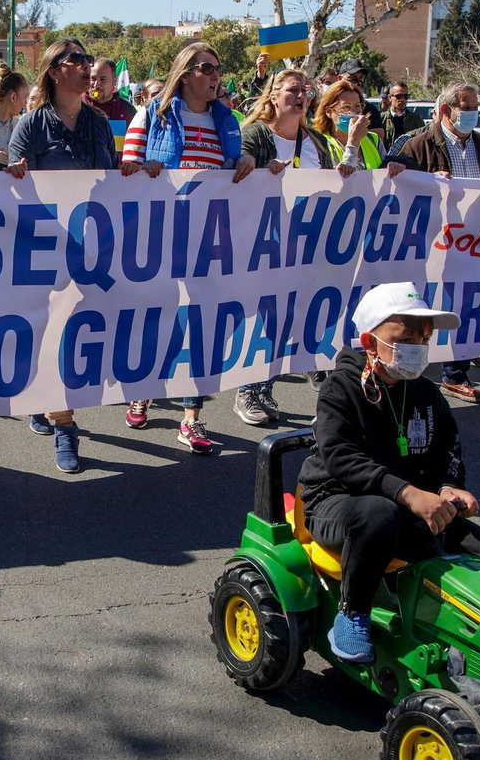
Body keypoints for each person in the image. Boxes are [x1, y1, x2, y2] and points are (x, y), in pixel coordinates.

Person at [298, 282, 480, 662]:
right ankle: (353, 613)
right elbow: (340, 458)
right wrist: (408, 493)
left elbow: (449, 448)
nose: (417, 348)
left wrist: (448, 487)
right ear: (370, 342)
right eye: (406, 338)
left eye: (424, 339)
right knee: (380, 515)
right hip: (338, 503)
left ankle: (466, 640)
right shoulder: (340, 389)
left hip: (409, 504)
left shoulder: (426, 393)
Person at [120, 41, 257, 454]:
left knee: (203, 324)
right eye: (206, 67)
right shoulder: (153, 114)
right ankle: (144, 388)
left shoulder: (228, 120)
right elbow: (125, 169)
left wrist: (252, 165)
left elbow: (232, 170)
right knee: (158, 317)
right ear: (186, 72)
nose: (215, 75)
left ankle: (191, 417)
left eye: (218, 68)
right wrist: (144, 169)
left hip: (210, 240)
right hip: (161, 235)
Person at [6, 39, 119, 473]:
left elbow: (107, 182)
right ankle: (65, 427)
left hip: (87, 249)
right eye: (78, 61)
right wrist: (13, 173)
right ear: (54, 71)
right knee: (51, 334)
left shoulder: (97, 122)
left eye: (90, 60)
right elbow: (15, 189)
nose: (88, 67)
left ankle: (46, 402)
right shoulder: (31, 126)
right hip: (43, 251)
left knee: (74, 335)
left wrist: (129, 175)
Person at [233, 69, 362, 426]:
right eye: (292, 90)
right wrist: (262, 170)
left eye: (306, 90)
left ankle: (265, 388)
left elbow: (339, 181)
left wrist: (350, 152)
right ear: (273, 95)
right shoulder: (256, 134)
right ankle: (247, 390)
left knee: (286, 320)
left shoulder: (314, 140)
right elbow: (234, 172)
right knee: (262, 318)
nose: (301, 95)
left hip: (304, 247)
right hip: (261, 244)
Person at [389, 80, 480, 405]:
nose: (473, 113)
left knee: (463, 304)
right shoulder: (417, 143)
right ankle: (404, 370)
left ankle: (455, 373)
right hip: (429, 242)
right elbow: (391, 178)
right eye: (467, 107)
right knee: (417, 306)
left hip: (470, 241)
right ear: (447, 110)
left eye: (476, 107)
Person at [313, 79, 384, 170]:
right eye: (346, 107)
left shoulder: (374, 140)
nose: (354, 113)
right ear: (329, 111)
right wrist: (353, 142)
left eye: (358, 106)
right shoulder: (318, 143)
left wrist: (394, 166)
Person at [335, 59, 384, 141]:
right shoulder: (330, 104)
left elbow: (377, 139)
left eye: (361, 78)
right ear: (340, 79)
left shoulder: (370, 109)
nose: (357, 83)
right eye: (352, 78)